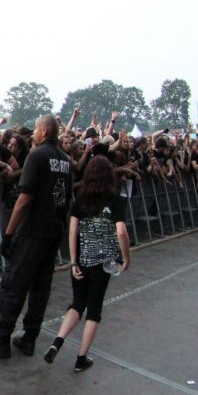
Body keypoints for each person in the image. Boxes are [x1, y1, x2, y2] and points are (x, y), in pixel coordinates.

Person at [0, 114, 72, 358]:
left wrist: (8, 234)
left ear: (45, 132)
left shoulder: (36, 156)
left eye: (37, 129)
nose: (35, 134)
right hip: (54, 231)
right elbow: (65, 199)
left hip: (33, 231)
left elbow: (24, 199)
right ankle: (29, 338)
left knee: (14, 284)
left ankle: (2, 338)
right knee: (40, 287)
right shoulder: (67, 161)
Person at [44, 156, 131, 371]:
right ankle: (81, 358)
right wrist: (126, 258)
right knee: (94, 310)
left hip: (81, 259)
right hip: (104, 263)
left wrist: (73, 261)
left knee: (77, 304)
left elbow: (73, 230)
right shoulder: (116, 200)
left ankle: (58, 341)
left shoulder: (80, 200)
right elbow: (121, 231)